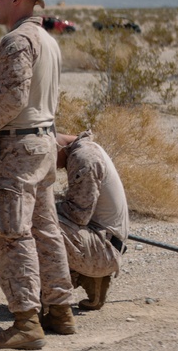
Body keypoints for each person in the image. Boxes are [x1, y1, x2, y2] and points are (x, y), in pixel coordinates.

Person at [0, 0, 76, 350]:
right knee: (44, 228)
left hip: (17, 147)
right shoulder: (47, 40)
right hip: (43, 143)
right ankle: (60, 309)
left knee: (10, 234)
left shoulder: (17, 41)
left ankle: (25, 321)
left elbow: (13, 97)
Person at [55, 131, 129, 310]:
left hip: (103, 249)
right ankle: (89, 278)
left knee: (37, 222)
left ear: (54, 146)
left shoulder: (84, 158)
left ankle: (55, 300)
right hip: (104, 242)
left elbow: (78, 214)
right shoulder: (83, 152)